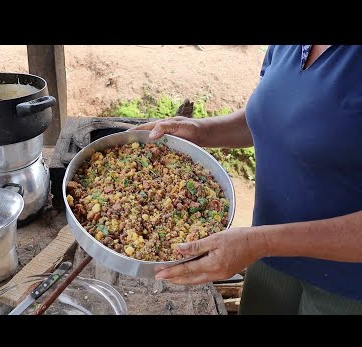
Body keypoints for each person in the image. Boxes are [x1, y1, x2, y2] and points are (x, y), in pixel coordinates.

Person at [132, 45, 362, 315]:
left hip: (346, 287)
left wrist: (260, 242)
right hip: (269, 260)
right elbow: (278, 119)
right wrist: (201, 131)